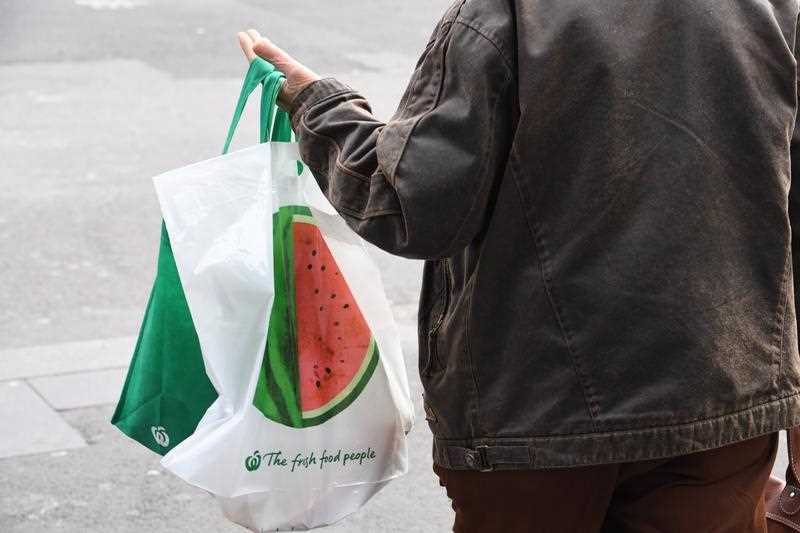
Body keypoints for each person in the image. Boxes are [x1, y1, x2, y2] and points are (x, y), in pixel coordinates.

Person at [237, 0, 800, 530]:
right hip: (721, 402)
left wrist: (316, 104)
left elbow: (412, 206)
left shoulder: (510, 11)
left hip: (537, 411)